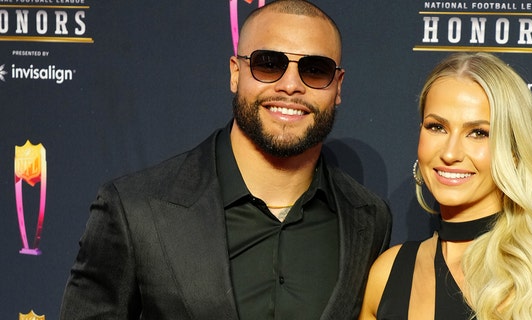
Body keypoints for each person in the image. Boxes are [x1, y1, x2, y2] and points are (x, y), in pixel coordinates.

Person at [60, 1, 392, 319]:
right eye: (268, 64)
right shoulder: (135, 209)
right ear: (236, 73)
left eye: (316, 70)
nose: (291, 86)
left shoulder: (368, 219)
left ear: (337, 87)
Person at [359, 52, 532, 320]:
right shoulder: (387, 273)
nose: (450, 152)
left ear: (514, 152)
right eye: (436, 127)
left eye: (478, 133)